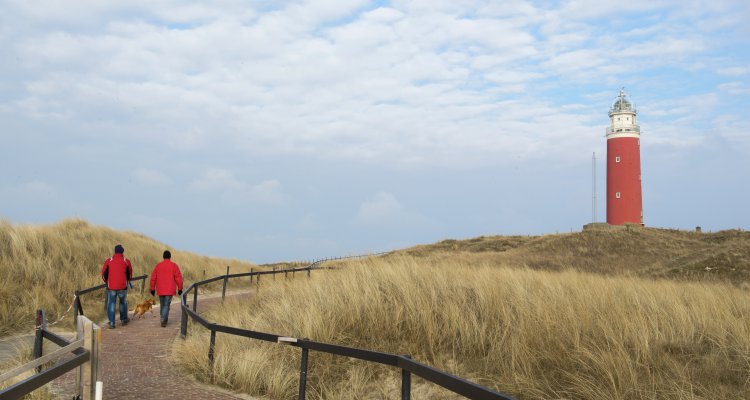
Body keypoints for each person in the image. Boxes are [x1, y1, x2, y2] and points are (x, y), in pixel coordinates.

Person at [101, 244, 133, 329]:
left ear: (115, 251)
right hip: (123, 286)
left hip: (111, 286)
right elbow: (129, 274)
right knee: (123, 302)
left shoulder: (109, 260)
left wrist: (107, 282)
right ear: (122, 252)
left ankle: (112, 323)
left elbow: (104, 274)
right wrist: (128, 281)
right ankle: (123, 320)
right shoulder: (126, 261)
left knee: (111, 303)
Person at [150, 250, 184, 327]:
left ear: (163, 257)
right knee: (166, 305)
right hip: (169, 289)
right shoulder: (174, 266)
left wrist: (152, 288)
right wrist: (180, 288)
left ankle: (163, 318)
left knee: (162, 304)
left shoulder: (158, 266)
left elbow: (153, 278)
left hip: (160, 289)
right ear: (170, 257)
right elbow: (179, 278)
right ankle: (163, 319)